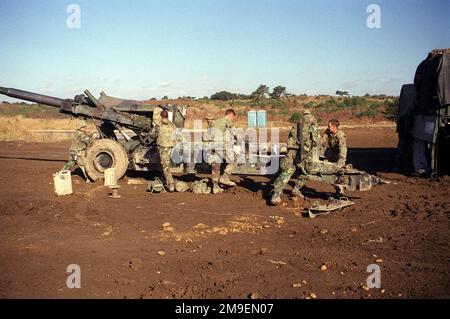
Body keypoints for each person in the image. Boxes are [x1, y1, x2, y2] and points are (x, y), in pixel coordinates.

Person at [271, 110, 319, 205]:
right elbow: (315, 139)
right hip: (302, 152)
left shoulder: (296, 123)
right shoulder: (312, 122)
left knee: (286, 172)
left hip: (291, 151)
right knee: (307, 171)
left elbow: (290, 138)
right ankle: (296, 189)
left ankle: (275, 195)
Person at [206, 109, 238, 194]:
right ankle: (225, 177)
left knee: (216, 166)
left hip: (211, 146)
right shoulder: (227, 121)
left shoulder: (214, 122)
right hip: (220, 146)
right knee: (235, 160)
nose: (232, 119)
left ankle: (215, 188)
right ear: (231, 115)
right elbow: (234, 134)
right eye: (233, 118)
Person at [153, 110, 177, 192]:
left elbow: (153, 134)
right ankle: (165, 181)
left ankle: (171, 184)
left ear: (161, 116)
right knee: (165, 164)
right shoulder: (172, 125)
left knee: (165, 166)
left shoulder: (158, 125)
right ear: (167, 116)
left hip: (163, 148)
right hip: (170, 147)